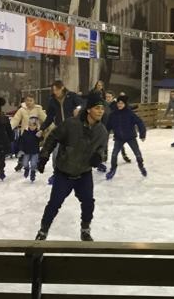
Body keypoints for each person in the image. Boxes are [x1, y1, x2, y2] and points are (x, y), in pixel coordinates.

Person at [34, 93, 109, 242]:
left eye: (102, 108)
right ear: (88, 110)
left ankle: (85, 229)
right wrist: (44, 156)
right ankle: (43, 231)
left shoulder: (102, 131)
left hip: (84, 174)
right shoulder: (71, 124)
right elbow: (53, 137)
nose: (101, 111)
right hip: (64, 173)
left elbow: (103, 151)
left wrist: (99, 157)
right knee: (54, 204)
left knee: (88, 203)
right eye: (97, 108)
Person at [105, 95, 147, 180]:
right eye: (118, 103)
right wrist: (104, 135)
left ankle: (141, 166)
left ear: (125, 104)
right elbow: (107, 126)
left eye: (122, 103)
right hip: (119, 138)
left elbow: (139, 122)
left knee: (137, 154)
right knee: (114, 155)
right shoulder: (113, 114)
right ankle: (113, 169)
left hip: (130, 137)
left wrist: (142, 134)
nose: (119, 105)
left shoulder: (129, 113)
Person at [11, 94, 48, 172]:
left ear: (34, 101)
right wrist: (9, 127)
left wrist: (49, 128)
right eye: (27, 100)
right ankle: (20, 162)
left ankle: (36, 162)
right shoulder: (22, 110)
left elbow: (46, 119)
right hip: (25, 133)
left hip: (35, 134)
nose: (29, 102)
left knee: (34, 149)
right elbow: (15, 120)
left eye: (31, 100)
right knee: (22, 149)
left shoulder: (38, 109)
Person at [17, 117, 43, 182]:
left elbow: (41, 139)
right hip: (26, 151)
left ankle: (33, 173)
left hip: (35, 152)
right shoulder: (25, 132)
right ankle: (26, 169)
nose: (31, 127)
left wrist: (40, 136)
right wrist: (21, 149)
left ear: (36, 126)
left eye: (33, 125)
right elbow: (21, 141)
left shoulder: (37, 133)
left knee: (34, 164)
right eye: (30, 125)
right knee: (25, 163)